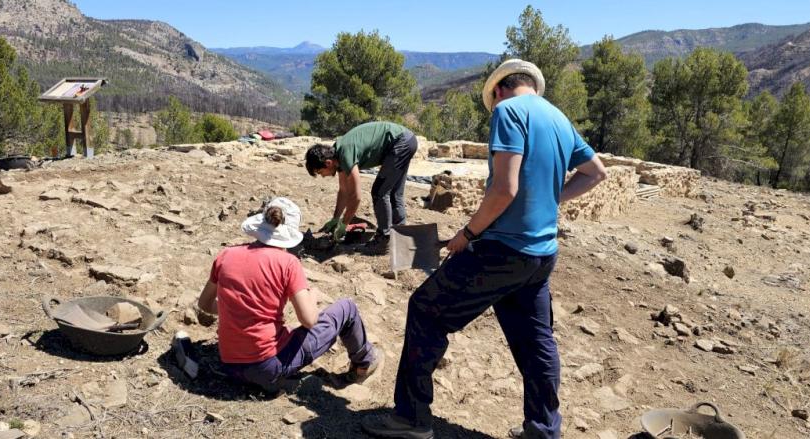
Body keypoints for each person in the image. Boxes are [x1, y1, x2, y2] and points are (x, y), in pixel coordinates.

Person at [361, 59, 608, 439]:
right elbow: (596, 172)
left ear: (497, 91)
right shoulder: (558, 118)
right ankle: (543, 430)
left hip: (501, 250)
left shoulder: (508, 112)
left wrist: (468, 234)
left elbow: (504, 190)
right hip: (541, 253)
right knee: (536, 342)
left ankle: (412, 419)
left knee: (425, 311)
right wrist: (551, 199)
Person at [196, 197, 382, 391]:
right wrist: (313, 295)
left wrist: (236, 310)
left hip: (230, 365)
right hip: (268, 365)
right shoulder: (288, 263)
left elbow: (204, 304)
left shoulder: (227, 255)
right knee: (347, 308)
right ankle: (364, 364)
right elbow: (309, 320)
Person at [305, 121, 418, 254]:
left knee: (379, 191)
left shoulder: (345, 154)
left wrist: (344, 224)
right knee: (394, 193)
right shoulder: (338, 156)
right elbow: (343, 191)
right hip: (407, 139)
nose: (323, 176)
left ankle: (383, 239)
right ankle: (400, 234)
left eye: (320, 172)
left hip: (400, 142)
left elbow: (356, 197)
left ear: (328, 163)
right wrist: (336, 218)